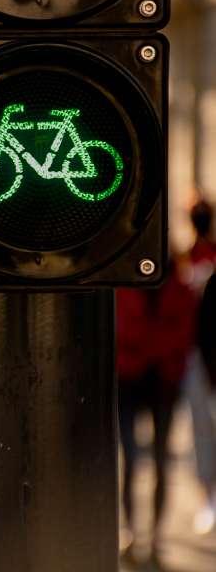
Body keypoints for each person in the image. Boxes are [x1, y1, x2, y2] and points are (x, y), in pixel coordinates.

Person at [116, 259, 197, 567]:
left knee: (160, 461)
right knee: (131, 460)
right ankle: (131, 531)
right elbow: (123, 328)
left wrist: (150, 350)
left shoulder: (180, 287)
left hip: (162, 382)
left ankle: (155, 534)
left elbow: (183, 334)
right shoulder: (124, 283)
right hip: (132, 380)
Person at [186, 199, 216, 533]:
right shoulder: (186, 258)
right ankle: (209, 497)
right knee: (202, 430)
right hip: (195, 355)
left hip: (202, 355)